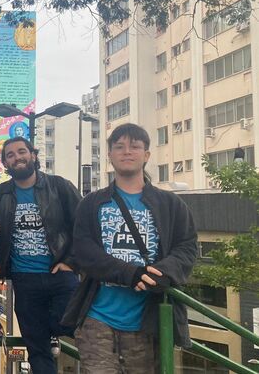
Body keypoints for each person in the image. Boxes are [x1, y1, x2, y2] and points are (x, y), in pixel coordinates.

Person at [63, 123, 197, 373]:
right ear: (109, 155)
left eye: (135, 146)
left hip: (148, 320)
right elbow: (84, 250)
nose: (127, 151)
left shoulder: (171, 204)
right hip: (97, 318)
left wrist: (162, 273)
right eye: (119, 147)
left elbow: (187, 247)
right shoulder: (91, 203)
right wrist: (131, 273)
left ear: (146, 155)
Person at [0, 136, 81, 374]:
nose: (17, 157)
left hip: (60, 273)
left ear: (33, 155)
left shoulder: (59, 186)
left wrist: (72, 261)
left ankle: (53, 334)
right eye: (10, 155)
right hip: (24, 279)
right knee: (37, 348)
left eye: (22, 151)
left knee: (74, 326)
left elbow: (84, 226)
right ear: (5, 163)